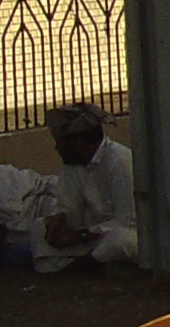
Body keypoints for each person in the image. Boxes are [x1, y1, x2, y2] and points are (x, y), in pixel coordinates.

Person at [33, 104, 137, 273]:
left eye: (60, 143)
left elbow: (128, 220)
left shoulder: (120, 161)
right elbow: (69, 208)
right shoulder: (71, 165)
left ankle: (81, 267)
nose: (57, 148)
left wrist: (81, 235)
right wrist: (59, 220)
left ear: (77, 142)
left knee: (122, 241)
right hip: (89, 234)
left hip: (117, 232)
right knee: (39, 228)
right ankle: (92, 264)